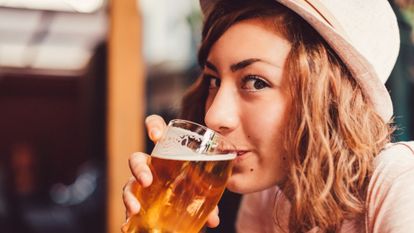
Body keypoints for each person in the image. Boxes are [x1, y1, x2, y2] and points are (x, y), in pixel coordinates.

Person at [122, 0, 414, 232]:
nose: (213, 116)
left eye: (256, 82)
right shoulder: (266, 198)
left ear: (329, 98)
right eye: (214, 80)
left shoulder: (398, 183)